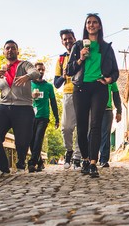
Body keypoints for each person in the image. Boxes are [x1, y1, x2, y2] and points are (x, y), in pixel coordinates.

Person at [66, 13, 119, 178]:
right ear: (85, 26)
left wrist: (109, 79)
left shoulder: (106, 47)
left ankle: (94, 163)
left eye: (95, 22)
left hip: (99, 88)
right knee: (82, 127)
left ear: (100, 26)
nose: (91, 25)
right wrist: (80, 58)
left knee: (96, 125)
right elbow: (69, 71)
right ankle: (85, 159)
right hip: (80, 88)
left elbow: (115, 72)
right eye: (89, 22)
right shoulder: (78, 46)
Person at [0, 40, 40, 176]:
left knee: (22, 140)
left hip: (23, 107)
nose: (10, 50)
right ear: (4, 52)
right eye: (7, 48)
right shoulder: (1, 71)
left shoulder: (24, 65)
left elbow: (35, 73)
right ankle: (1, 168)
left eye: (13, 48)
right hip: (4, 106)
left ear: (17, 51)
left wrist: (26, 76)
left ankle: (21, 164)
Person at [53, 29, 81, 170]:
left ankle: (77, 157)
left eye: (70, 38)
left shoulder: (82, 53)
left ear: (74, 38)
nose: (68, 41)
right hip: (68, 93)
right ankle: (69, 150)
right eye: (65, 39)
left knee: (82, 127)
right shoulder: (61, 59)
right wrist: (63, 77)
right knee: (66, 127)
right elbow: (56, 84)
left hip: (82, 92)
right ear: (62, 41)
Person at [27, 62, 59, 172]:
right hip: (31, 116)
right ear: (34, 71)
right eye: (39, 69)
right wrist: (31, 97)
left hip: (43, 117)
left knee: (38, 139)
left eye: (43, 70)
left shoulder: (48, 86)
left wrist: (57, 118)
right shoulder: (29, 84)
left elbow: (53, 103)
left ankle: (32, 163)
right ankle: (40, 162)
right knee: (31, 140)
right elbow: (23, 99)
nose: (41, 72)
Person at [98, 80, 122, 167]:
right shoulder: (92, 74)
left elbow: (116, 95)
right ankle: (91, 158)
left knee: (105, 134)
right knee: (93, 133)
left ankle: (104, 159)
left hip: (107, 110)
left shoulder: (111, 79)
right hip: (93, 109)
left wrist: (119, 111)